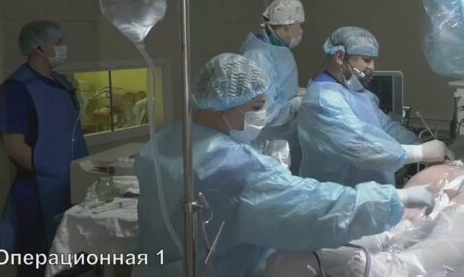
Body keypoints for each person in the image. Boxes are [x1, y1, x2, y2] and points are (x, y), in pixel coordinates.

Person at [133, 53, 436, 277]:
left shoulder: (162, 144)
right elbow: (310, 206)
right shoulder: (230, 164)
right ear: (222, 105)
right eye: (256, 107)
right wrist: (394, 198)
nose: (261, 116)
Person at [0, 21, 89, 277]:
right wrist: (53, 173)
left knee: (72, 261)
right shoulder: (16, 90)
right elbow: (14, 148)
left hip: (71, 187)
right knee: (41, 263)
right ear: (38, 47)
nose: (63, 47)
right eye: (58, 42)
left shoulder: (62, 84)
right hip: (39, 193)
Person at [297, 26, 449, 187]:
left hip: (372, 194)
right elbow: (360, 146)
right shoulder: (323, 100)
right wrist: (419, 153)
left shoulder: (357, 93)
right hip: (342, 194)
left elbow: (386, 128)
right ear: (340, 57)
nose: (372, 67)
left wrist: (418, 142)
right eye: (366, 59)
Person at [240, 0, 306, 174]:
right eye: (299, 25)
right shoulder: (257, 54)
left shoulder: (277, 48)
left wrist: (296, 93)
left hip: (283, 135)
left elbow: (278, 85)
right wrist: (296, 103)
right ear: (287, 25)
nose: (301, 31)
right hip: (268, 139)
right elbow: (266, 113)